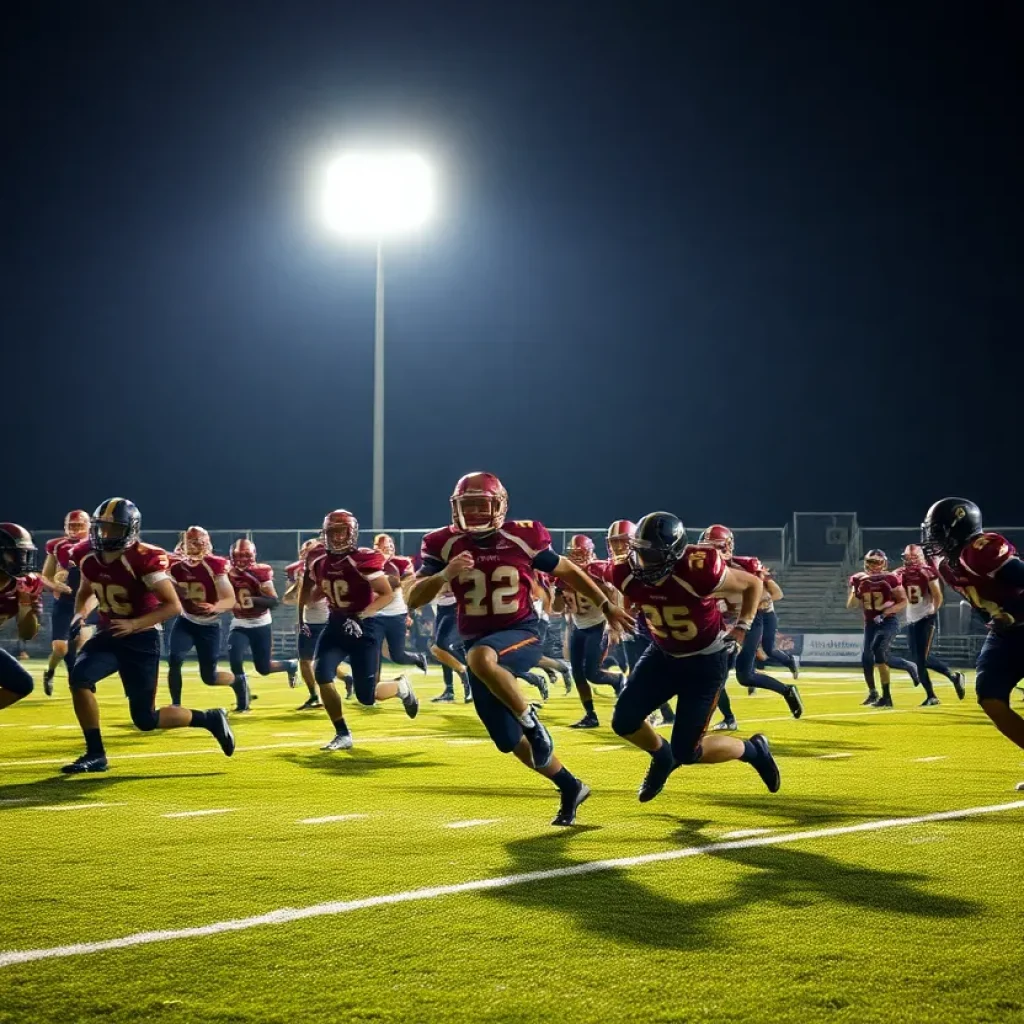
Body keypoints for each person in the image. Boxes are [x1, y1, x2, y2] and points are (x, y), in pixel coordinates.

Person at [409, 472, 633, 826]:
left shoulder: (523, 536)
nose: (475, 513)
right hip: (478, 641)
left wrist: (606, 606)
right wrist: (444, 575)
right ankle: (570, 785)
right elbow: (413, 597)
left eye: (482, 505)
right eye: (467, 506)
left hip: (522, 632)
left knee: (479, 659)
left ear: (499, 506)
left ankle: (532, 720)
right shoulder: (443, 543)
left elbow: (569, 570)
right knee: (507, 740)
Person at [605, 512, 781, 802]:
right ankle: (662, 757)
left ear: (673, 554)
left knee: (688, 751)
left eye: (652, 553)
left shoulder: (698, 569)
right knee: (624, 721)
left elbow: (753, 584)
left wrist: (742, 628)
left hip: (704, 662)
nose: (643, 560)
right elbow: (626, 593)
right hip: (662, 656)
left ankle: (754, 749)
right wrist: (621, 612)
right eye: (640, 551)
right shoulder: (624, 570)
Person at [61, 498, 234, 774]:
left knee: (145, 719)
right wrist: (79, 614)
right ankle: (95, 753)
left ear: (130, 529)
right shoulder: (86, 554)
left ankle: (210, 719)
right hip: (110, 632)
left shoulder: (143, 557)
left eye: (113, 529)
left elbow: (172, 606)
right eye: (102, 528)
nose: (105, 535)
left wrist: (134, 625)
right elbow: (87, 590)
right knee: (79, 678)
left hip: (142, 637)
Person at [298, 510, 419, 751]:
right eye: (333, 532)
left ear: (352, 533)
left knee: (367, 697)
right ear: (325, 533)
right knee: (322, 673)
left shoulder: (363, 558)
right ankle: (342, 733)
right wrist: (301, 614)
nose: (338, 537)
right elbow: (308, 586)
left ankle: (400, 687)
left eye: (343, 532)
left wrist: (362, 614)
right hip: (335, 623)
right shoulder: (317, 557)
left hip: (364, 627)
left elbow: (385, 594)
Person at [922, 498, 1024, 781]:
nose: (932, 539)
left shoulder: (982, 550)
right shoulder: (945, 562)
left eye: (938, 531)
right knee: (990, 696)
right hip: (1004, 634)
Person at [699, 525, 802, 729]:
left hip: (750, 620)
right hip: (722, 622)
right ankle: (728, 719)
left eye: (717, 547)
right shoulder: (699, 569)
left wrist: (758, 590)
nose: (712, 554)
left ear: (728, 547)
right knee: (713, 676)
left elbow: (774, 596)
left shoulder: (744, 566)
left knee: (745, 675)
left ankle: (787, 691)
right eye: (707, 548)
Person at [604, 520, 675, 727]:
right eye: (614, 542)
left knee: (645, 672)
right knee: (636, 670)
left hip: (648, 624)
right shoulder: (611, 566)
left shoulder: (646, 564)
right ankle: (665, 713)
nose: (617, 547)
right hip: (629, 623)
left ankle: (649, 711)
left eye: (622, 542)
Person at [166, 527, 241, 708]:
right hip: (186, 620)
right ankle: (176, 705)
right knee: (174, 659)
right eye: (190, 541)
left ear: (207, 543)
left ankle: (238, 682)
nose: (195, 545)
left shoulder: (213, 565)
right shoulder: (175, 565)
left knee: (209, 677)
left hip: (209, 625)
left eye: (199, 541)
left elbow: (230, 600)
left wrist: (214, 607)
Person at [555, 534, 623, 729]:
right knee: (577, 673)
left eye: (580, 554)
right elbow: (557, 608)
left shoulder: (598, 570)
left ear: (590, 553)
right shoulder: (563, 574)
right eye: (573, 555)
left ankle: (618, 679)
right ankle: (590, 715)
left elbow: (614, 594)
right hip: (578, 626)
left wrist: (613, 624)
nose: (576, 559)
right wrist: (559, 590)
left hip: (598, 625)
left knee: (591, 673)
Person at [226, 538, 298, 709]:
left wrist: (252, 599)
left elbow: (273, 601)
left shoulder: (260, 572)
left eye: (246, 555)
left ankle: (290, 665)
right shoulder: (226, 572)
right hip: (239, 622)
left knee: (263, 668)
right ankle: (243, 702)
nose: (242, 559)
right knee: (235, 659)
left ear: (253, 555)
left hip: (260, 623)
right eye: (238, 556)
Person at [847, 549, 920, 707]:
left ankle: (888, 695)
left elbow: (903, 601)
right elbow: (851, 605)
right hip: (870, 624)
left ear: (884, 563)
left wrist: (886, 612)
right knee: (867, 658)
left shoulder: (890, 578)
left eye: (877, 562)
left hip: (887, 622)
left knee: (878, 652)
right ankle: (873, 693)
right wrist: (854, 589)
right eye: (871, 561)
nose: (873, 566)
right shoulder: (859, 579)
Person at [895, 544, 966, 705]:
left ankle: (931, 696)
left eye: (911, 557)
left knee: (920, 660)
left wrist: (933, 610)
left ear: (919, 557)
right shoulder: (900, 573)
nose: (908, 561)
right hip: (911, 618)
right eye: (906, 557)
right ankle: (953, 676)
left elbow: (937, 595)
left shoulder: (927, 572)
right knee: (918, 658)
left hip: (926, 618)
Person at [40, 510, 95, 694]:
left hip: (89, 600)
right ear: (65, 526)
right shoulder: (58, 546)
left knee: (81, 643)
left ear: (88, 526)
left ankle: (79, 681)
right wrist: (56, 585)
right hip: (65, 602)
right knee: (61, 648)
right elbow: (45, 576)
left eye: (79, 525)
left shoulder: (97, 545)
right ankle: (50, 672)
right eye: (72, 526)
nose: (75, 530)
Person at [0, 524, 43, 714]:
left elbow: (27, 633)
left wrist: (26, 606)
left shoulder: (27, 584)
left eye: (25, 553)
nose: (23, 560)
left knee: (21, 683)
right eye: (16, 554)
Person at [372, 533, 428, 674]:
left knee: (397, 656)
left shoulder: (401, 562)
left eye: (391, 544)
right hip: (374, 614)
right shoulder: (369, 562)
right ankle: (371, 686)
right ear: (376, 547)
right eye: (385, 544)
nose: (389, 547)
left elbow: (408, 589)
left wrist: (409, 613)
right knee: (373, 652)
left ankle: (418, 658)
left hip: (396, 614)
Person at [429, 580, 471, 703]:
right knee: (441, 649)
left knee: (443, 644)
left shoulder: (456, 565)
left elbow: (447, 589)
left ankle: (469, 675)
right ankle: (449, 690)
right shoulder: (437, 566)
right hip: (441, 607)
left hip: (456, 607)